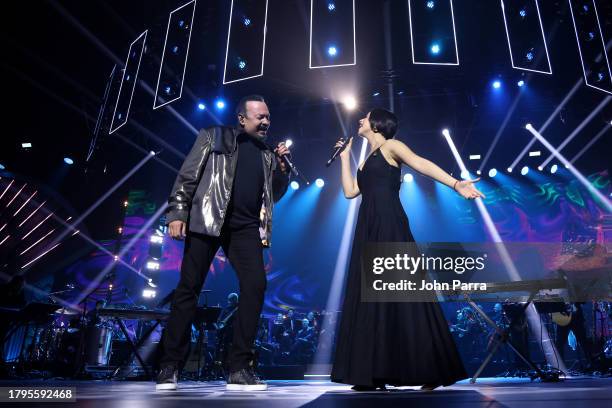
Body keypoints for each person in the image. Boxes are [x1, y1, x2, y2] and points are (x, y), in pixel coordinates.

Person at [331, 108, 484, 391]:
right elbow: (351, 191)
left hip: (389, 224)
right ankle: (373, 372)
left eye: (365, 117)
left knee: (403, 294)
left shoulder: (392, 146)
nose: (360, 120)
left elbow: (420, 163)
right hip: (368, 226)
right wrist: (344, 158)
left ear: (376, 124)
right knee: (372, 298)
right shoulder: (366, 157)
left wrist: (455, 184)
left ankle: (430, 369)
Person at [156, 95, 290, 391]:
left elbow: (274, 196)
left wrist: (283, 169)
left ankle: (239, 368)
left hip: (245, 228)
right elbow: (187, 176)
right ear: (242, 118)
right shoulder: (213, 136)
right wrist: (178, 211)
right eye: (260, 117)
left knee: (255, 286)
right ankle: (169, 365)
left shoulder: (268, 154)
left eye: (268, 117)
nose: (266, 122)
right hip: (206, 220)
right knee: (188, 288)